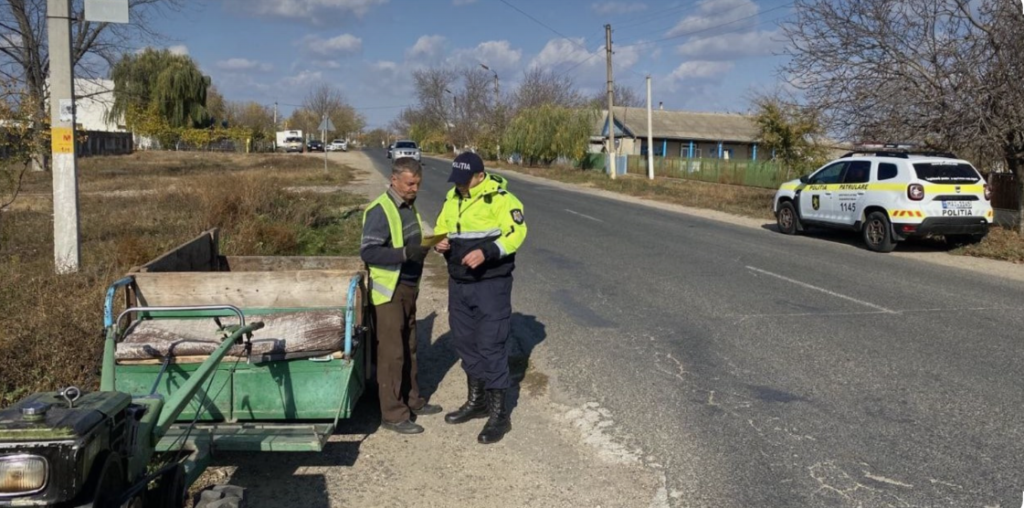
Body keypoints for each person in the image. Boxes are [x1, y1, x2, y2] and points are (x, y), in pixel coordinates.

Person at [433, 152, 527, 444]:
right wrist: (440, 240)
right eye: (457, 181)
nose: (461, 186)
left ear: (480, 175)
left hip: (490, 284)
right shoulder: (453, 198)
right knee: (465, 342)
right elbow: (441, 226)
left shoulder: (501, 199)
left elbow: (516, 233)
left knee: (491, 345)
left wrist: (488, 251)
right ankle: (477, 401)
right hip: (459, 283)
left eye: (465, 181)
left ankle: (499, 414)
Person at [360, 157, 442, 434]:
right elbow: (369, 252)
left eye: (417, 184)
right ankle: (393, 415)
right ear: (394, 180)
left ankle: (413, 400)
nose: (414, 189)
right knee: (392, 354)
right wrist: (405, 254)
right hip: (389, 293)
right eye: (409, 183)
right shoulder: (380, 210)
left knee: (410, 347)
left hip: (408, 287)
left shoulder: (408, 207)